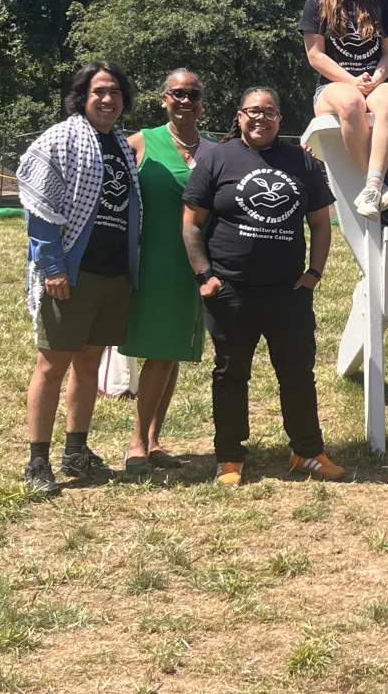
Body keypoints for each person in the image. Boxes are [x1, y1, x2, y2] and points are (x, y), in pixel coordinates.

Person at [180, 86, 344, 486]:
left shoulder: (301, 162)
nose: (260, 118)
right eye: (252, 111)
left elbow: (321, 223)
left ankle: (307, 453)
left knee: (297, 373)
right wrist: (205, 275)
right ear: (239, 116)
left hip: (288, 291)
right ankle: (230, 458)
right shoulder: (217, 158)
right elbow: (190, 224)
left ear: (279, 120)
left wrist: (314, 273)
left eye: (269, 112)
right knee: (231, 373)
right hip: (230, 289)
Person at [16, 61, 142, 495]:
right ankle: (37, 462)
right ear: (82, 96)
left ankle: (76, 451)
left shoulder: (121, 146)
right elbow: (41, 208)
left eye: (115, 93)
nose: (108, 100)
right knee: (51, 366)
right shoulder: (61, 139)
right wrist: (51, 266)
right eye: (99, 92)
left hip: (112, 275)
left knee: (89, 364)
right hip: (72, 272)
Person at [120, 69, 219, 474]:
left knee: (174, 353)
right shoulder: (141, 142)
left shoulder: (214, 151)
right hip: (153, 261)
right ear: (163, 99)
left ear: (201, 101)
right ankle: (136, 444)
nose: (185, 100)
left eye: (193, 94)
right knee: (159, 353)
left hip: (194, 265)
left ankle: (155, 440)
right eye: (177, 93)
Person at [300, 0, 388, 220]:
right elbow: (315, 56)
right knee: (350, 103)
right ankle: (374, 185)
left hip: (375, 81)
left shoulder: (380, 2)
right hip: (333, 87)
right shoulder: (317, 0)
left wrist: (377, 78)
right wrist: (351, 80)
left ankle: (372, 185)